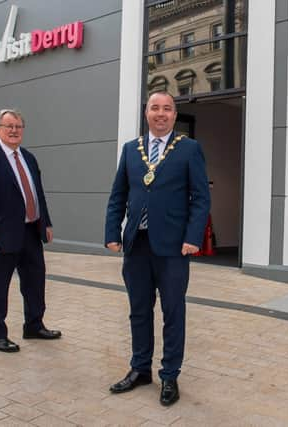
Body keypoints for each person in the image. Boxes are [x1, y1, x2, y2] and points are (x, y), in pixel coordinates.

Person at [105, 91, 210, 406]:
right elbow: (118, 195)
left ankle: (169, 375)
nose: (161, 114)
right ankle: (140, 369)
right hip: (136, 244)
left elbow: (201, 198)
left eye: (167, 109)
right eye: (155, 108)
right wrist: (113, 231)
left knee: (173, 312)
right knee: (139, 310)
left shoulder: (189, 149)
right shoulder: (131, 150)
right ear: (146, 113)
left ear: (174, 115)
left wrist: (193, 237)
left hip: (174, 248)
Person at [0, 109, 61, 353]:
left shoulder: (29, 158)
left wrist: (46, 223)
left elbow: (38, 194)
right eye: (8, 126)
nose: (13, 130)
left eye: (18, 126)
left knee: (35, 282)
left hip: (31, 232)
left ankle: (34, 325)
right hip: (0, 237)